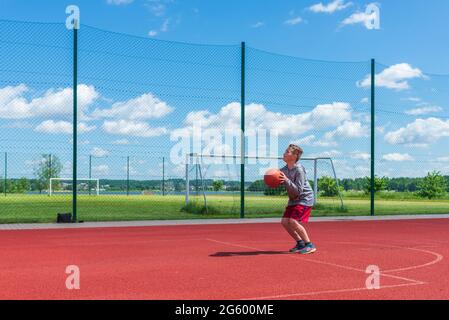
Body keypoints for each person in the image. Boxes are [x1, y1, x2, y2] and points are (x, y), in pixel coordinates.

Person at [279, 144, 316, 254]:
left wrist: (285, 180)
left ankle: (309, 245)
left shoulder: (299, 170)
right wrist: (273, 178)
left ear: (295, 156)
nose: (284, 153)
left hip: (304, 198)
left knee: (293, 221)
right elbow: (278, 180)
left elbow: (298, 191)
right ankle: (300, 243)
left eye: (287, 151)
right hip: (293, 199)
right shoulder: (283, 170)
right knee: (285, 222)